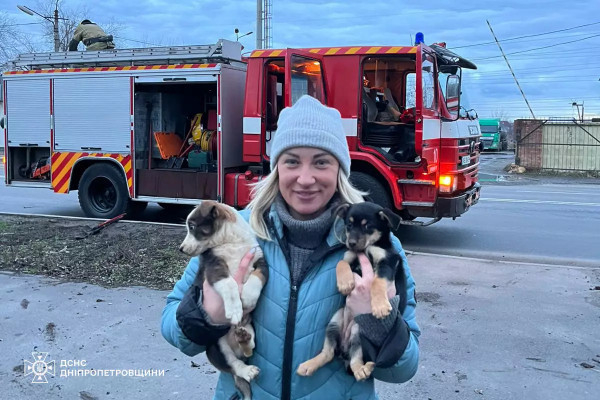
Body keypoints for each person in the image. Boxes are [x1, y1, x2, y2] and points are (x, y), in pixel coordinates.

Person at [161, 95, 420, 400]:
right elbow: (172, 328)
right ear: (277, 168)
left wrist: (377, 320)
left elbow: (404, 368)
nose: (305, 178)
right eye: (292, 161)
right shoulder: (235, 234)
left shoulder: (378, 247)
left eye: (321, 162)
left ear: (340, 170)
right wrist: (208, 315)